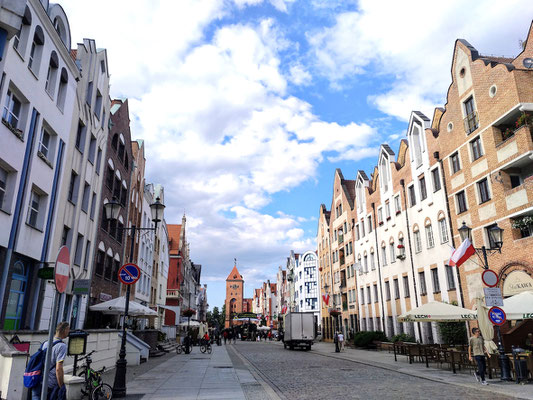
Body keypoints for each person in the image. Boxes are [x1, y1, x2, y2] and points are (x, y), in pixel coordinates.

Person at [32, 322, 70, 400]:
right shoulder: (62, 346)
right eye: (68, 329)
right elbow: (58, 368)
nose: (69, 332)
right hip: (49, 385)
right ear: (65, 330)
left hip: (37, 380)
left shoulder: (46, 343)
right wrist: (61, 386)